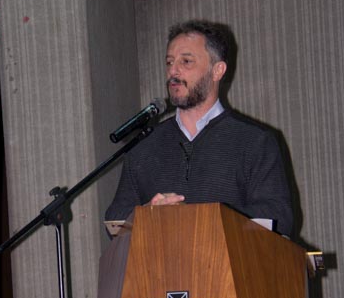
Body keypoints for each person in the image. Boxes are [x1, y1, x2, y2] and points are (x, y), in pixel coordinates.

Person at [105, 20, 293, 237]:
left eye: (186, 61)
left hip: (227, 259)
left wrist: (195, 219)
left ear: (217, 70)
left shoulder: (255, 141)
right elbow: (115, 221)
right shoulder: (143, 145)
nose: (173, 71)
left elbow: (278, 218)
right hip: (162, 259)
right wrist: (148, 214)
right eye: (169, 62)